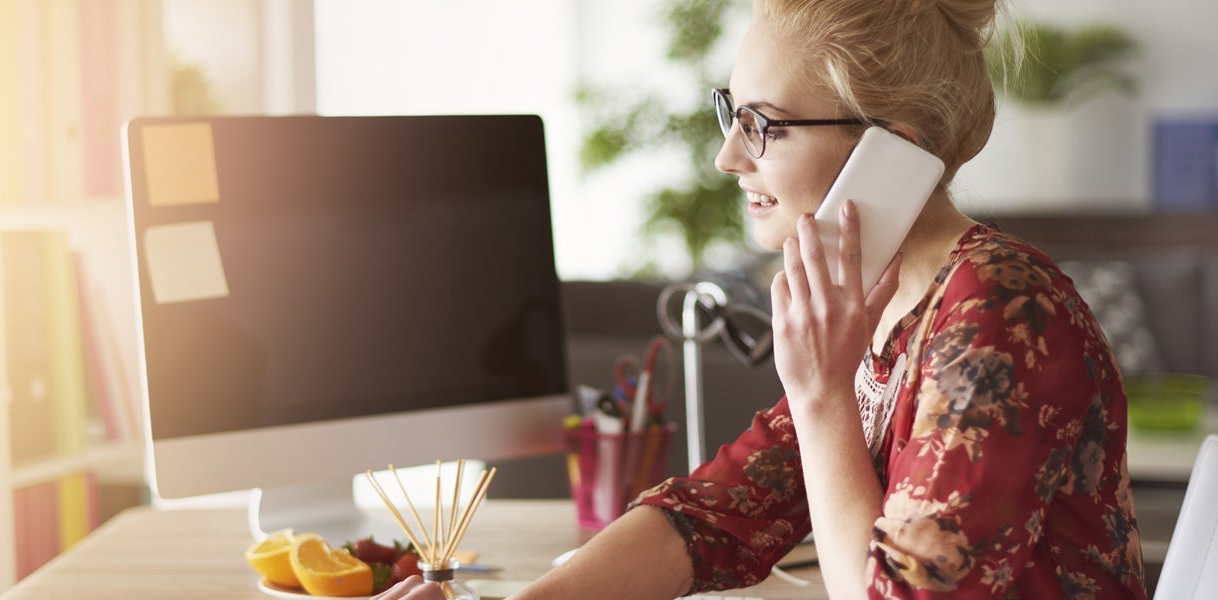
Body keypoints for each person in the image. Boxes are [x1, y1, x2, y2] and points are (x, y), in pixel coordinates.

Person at [377, 0, 1147, 597]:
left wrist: (820, 399)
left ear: (893, 147)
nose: (726, 156)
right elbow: (718, 512)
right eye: (731, 113)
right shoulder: (874, 299)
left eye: (764, 126)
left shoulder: (1004, 315)